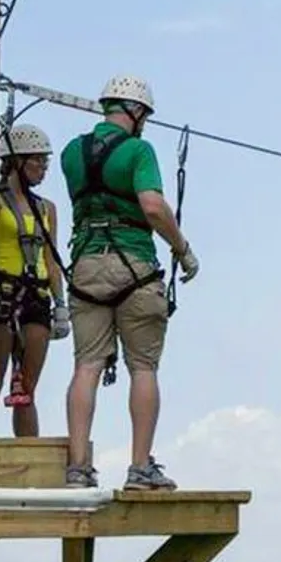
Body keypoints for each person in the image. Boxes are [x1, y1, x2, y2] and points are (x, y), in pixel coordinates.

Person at [60, 75, 199, 491]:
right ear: (136, 111)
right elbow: (153, 207)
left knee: (86, 365)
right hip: (134, 263)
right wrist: (182, 248)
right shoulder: (139, 150)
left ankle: (78, 467)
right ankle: (140, 466)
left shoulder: (71, 152)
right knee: (143, 367)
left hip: (86, 262)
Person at [0, 123, 70, 437]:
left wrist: (61, 304)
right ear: (17, 161)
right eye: (37, 161)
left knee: (26, 387)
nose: (42, 168)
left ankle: (28, 455)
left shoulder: (46, 208)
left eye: (44, 162)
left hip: (37, 296)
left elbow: (51, 260)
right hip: (3, 293)